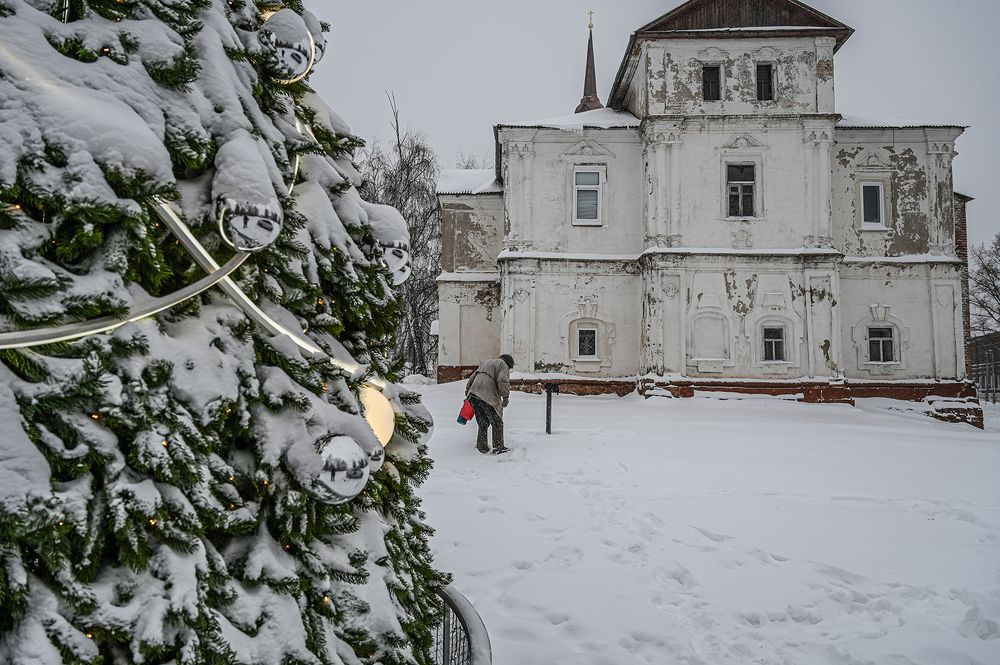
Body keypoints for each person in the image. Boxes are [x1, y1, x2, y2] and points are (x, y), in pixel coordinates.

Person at [465, 354, 514, 454]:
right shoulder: (503, 365)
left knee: (483, 423)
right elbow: (502, 380)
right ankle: (498, 447)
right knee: (497, 422)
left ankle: (481, 446)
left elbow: (472, 378)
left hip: (473, 394)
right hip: (487, 395)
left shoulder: (485, 363)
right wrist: (505, 397)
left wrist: (468, 391)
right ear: (508, 363)